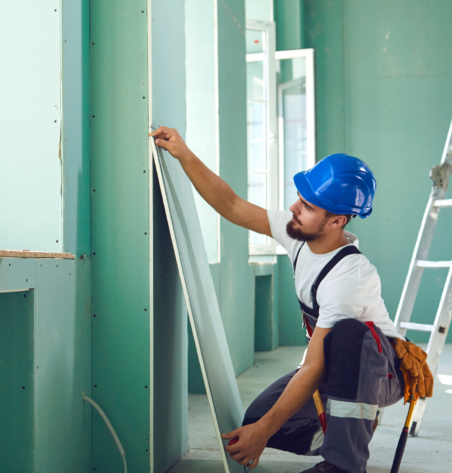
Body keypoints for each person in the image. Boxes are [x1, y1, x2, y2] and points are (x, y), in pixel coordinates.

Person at [150, 126, 404, 473]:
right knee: (257, 419)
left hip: (380, 370)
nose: (293, 207)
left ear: (337, 221)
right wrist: (184, 154)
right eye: (299, 198)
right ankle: (340, 433)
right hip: (336, 365)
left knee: (346, 335)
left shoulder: (350, 277)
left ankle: (343, 464)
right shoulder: (299, 232)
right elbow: (232, 204)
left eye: (307, 205)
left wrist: (262, 433)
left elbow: (314, 367)